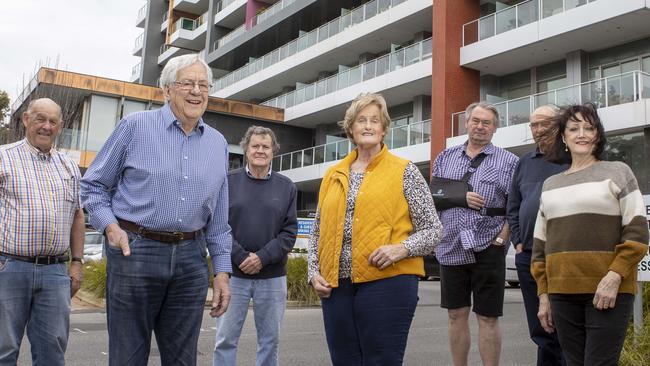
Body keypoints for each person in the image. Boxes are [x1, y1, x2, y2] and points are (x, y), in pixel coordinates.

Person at [80, 54, 233, 366]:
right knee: (128, 357)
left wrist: (222, 272)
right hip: (134, 251)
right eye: (187, 83)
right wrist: (111, 228)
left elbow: (219, 219)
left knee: (182, 359)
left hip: (191, 257)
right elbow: (93, 185)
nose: (196, 91)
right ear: (166, 90)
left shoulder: (218, 144)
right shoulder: (134, 128)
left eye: (203, 85)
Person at [307, 93, 442, 366]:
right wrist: (313, 272)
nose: (368, 126)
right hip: (336, 286)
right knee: (344, 361)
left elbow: (433, 230)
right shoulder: (333, 174)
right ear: (350, 129)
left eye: (374, 121)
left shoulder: (405, 170)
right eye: (361, 120)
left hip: (388, 281)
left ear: (384, 129)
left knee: (381, 361)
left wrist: (401, 248)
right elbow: (317, 231)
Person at [532, 103, 648, 366]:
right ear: (563, 136)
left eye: (589, 127)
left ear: (598, 134)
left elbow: (637, 231)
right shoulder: (551, 185)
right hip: (561, 292)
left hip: (608, 289)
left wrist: (614, 276)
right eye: (573, 128)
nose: (581, 133)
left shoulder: (618, 172)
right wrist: (544, 295)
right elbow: (540, 246)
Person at [432, 101, 518, 366]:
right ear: (466, 123)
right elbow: (432, 196)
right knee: (456, 315)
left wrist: (501, 240)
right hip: (451, 245)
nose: (480, 126)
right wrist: (460, 196)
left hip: (487, 247)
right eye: (476, 121)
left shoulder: (509, 161)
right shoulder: (445, 157)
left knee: (488, 317)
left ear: (495, 127)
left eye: (487, 122)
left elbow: (514, 207)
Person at [0, 98, 85, 365]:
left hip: (55, 273)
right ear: (26, 119)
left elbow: (77, 216)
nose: (46, 127)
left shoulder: (69, 166)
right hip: (9, 267)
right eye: (40, 119)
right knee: (3, 349)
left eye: (53, 122)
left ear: (60, 126)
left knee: (52, 353)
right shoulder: (3, 157)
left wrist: (77, 262)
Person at [213, 126, 297, 366]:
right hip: (232, 276)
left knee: (270, 343)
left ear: (273, 152)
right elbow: (218, 226)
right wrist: (240, 256)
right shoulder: (227, 182)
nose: (260, 150)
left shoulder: (287, 187)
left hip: (272, 277)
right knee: (225, 340)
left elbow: (289, 232)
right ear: (246, 149)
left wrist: (262, 257)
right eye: (255, 146)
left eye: (265, 146)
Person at [506, 105, 567, 366]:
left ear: (559, 125)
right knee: (540, 327)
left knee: (565, 325)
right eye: (534, 125)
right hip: (528, 255)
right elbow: (513, 204)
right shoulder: (524, 163)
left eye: (545, 123)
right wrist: (518, 241)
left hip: (563, 256)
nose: (539, 130)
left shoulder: (571, 159)